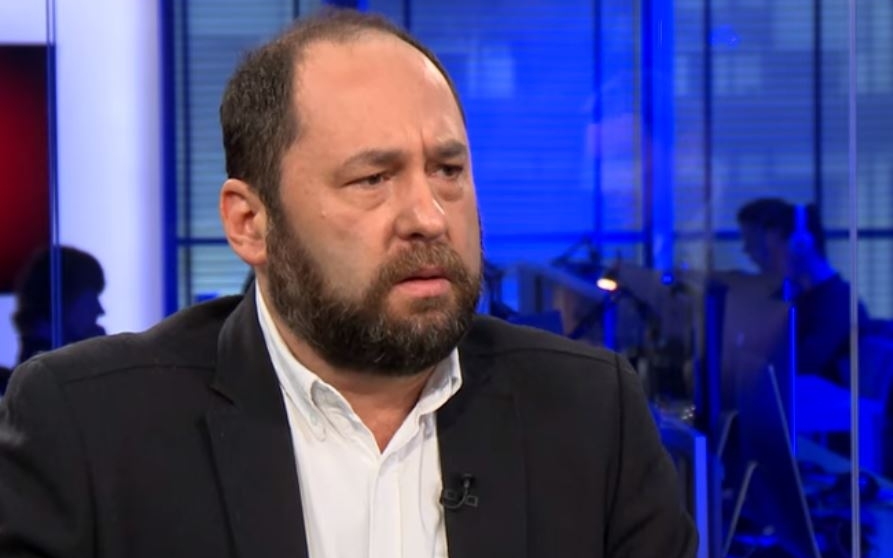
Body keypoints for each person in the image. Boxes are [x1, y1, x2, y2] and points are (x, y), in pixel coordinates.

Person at [0, 9, 696, 557]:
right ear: (249, 223)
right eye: (372, 178)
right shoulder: (92, 429)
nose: (428, 217)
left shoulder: (590, 414)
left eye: (447, 171)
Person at [737, 197, 868, 383]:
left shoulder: (838, 303)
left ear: (800, 246)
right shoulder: (795, 298)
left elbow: (797, 366)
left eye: (765, 249)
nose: (755, 256)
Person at [11, 245, 107, 365]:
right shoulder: (48, 370)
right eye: (90, 298)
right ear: (62, 298)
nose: (100, 310)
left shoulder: (36, 367)